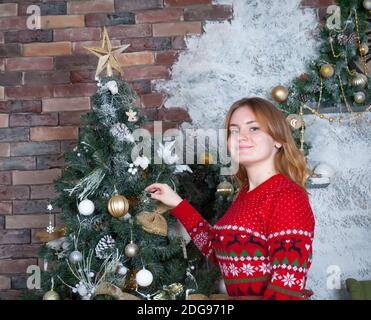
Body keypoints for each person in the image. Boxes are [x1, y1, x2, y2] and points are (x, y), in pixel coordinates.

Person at [145, 97, 315, 300]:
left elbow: (287, 282)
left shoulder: (286, 196)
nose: (241, 137)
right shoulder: (245, 195)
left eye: (253, 129)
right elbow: (217, 251)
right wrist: (177, 203)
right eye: (234, 131)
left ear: (278, 139)